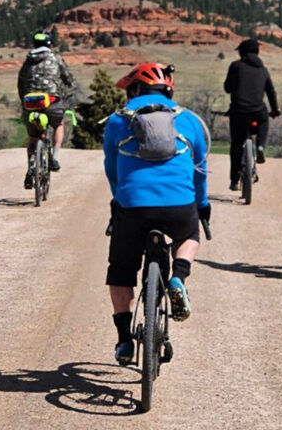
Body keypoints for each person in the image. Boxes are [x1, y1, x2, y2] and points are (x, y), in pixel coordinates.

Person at [103, 62, 210, 364]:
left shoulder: (117, 120)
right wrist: (201, 205)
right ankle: (178, 277)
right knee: (188, 235)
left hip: (133, 205)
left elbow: (111, 167)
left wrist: (119, 197)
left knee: (121, 270)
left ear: (135, 89)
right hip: (179, 206)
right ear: (168, 89)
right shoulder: (188, 119)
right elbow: (200, 171)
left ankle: (124, 340)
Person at [17, 31, 75, 188]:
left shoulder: (27, 61)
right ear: (49, 44)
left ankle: (31, 167)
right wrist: (68, 86)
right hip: (51, 100)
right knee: (58, 124)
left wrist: (24, 101)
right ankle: (54, 157)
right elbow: (68, 78)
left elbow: (21, 83)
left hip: (30, 102)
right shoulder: (55, 58)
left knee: (33, 137)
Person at [224, 38, 281, 191]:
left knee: (236, 144)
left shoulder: (235, 66)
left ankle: (234, 181)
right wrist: (275, 110)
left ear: (242, 52)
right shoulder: (263, 70)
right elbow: (271, 91)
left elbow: (227, 88)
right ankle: (261, 145)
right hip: (257, 111)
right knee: (264, 120)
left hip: (238, 112)